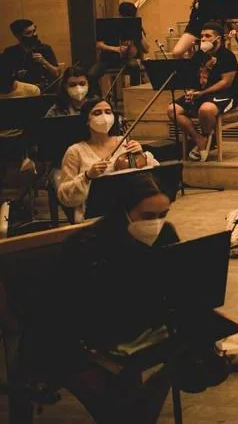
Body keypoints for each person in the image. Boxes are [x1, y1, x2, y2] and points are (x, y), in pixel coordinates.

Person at [42, 174, 184, 423]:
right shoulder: (86, 244)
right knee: (121, 406)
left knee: (190, 346)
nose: (157, 223)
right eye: (148, 216)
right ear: (125, 211)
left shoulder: (166, 234)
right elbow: (66, 312)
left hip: (135, 327)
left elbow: (174, 285)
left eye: (164, 215)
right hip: (79, 339)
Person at [57, 98, 157, 223]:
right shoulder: (75, 151)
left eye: (108, 112)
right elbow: (65, 196)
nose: (104, 117)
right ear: (87, 120)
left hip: (130, 212)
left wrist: (142, 156)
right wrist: (87, 176)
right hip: (95, 218)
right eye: (97, 113)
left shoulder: (124, 142)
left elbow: (152, 177)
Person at [166, 21, 238, 161]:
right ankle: (200, 139)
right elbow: (190, 76)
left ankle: (207, 137)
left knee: (205, 110)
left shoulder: (227, 55)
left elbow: (226, 83)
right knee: (172, 110)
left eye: (207, 36)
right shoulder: (199, 55)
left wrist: (201, 93)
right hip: (201, 93)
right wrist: (190, 91)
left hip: (224, 95)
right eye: (202, 36)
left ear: (217, 39)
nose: (203, 39)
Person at [89, 0, 150, 87]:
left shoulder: (135, 25)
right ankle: (96, 98)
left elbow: (146, 49)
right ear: (120, 15)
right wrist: (116, 49)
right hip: (107, 58)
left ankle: (133, 93)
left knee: (135, 67)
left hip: (127, 58)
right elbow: (99, 44)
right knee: (91, 75)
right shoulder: (108, 25)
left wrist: (138, 32)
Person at [172, 0, 236, 58]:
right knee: (177, 52)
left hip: (213, 33)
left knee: (223, 50)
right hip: (195, 30)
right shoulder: (201, 4)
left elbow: (233, 24)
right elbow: (193, 20)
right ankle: (187, 67)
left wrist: (233, 30)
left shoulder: (226, 7)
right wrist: (198, 7)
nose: (220, 1)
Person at [4, 18, 60, 87]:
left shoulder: (45, 48)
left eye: (34, 31)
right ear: (18, 36)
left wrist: (44, 62)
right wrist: (16, 74)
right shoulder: (10, 52)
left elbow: (57, 74)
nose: (34, 34)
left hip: (44, 89)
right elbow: (4, 77)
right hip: (21, 90)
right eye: (29, 33)